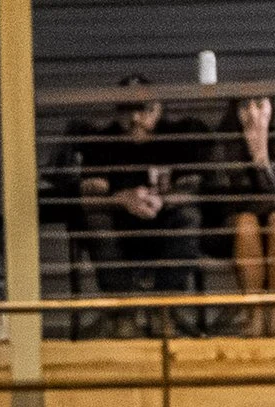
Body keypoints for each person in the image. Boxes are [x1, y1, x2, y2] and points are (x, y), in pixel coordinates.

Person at [72, 77, 211, 317]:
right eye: (126, 110)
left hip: (164, 226)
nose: (135, 118)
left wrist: (164, 200)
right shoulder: (103, 143)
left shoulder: (176, 136)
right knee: (96, 221)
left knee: (189, 217)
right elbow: (88, 196)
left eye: (143, 109)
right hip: (121, 230)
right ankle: (123, 315)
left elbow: (194, 187)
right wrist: (122, 199)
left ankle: (164, 311)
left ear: (157, 109)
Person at [208, 97, 275, 337]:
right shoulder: (222, 146)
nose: (253, 114)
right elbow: (226, 202)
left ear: (273, 108)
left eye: (259, 104)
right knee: (246, 223)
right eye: (244, 106)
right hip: (236, 228)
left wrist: (262, 161)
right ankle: (254, 324)